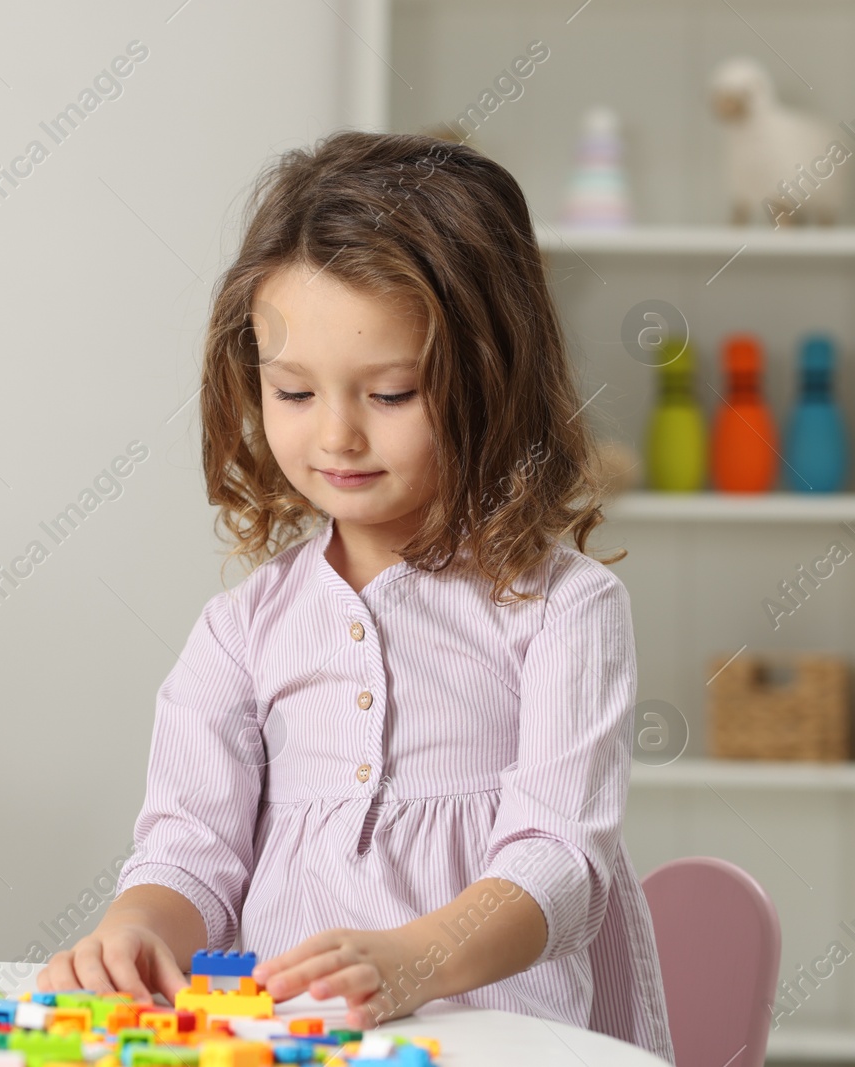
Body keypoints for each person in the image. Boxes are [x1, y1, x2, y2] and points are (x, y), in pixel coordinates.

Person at [34, 130, 675, 1063]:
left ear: (491, 378)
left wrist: (413, 959)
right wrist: (138, 925)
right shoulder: (242, 632)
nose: (336, 435)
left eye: (392, 392)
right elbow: (190, 851)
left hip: (506, 1040)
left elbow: (559, 862)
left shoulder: (564, 609)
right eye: (293, 392)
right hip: (295, 1042)